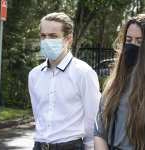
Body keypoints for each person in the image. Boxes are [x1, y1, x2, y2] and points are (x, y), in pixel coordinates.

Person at [28, 12, 101, 150]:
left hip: (71, 146)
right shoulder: (34, 75)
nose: (46, 40)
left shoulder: (83, 72)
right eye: (43, 36)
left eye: (53, 36)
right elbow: (38, 115)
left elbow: (94, 118)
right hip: (39, 145)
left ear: (69, 39)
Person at [94, 14, 145, 150]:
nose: (132, 46)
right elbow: (99, 130)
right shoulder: (116, 83)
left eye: (140, 41)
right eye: (129, 40)